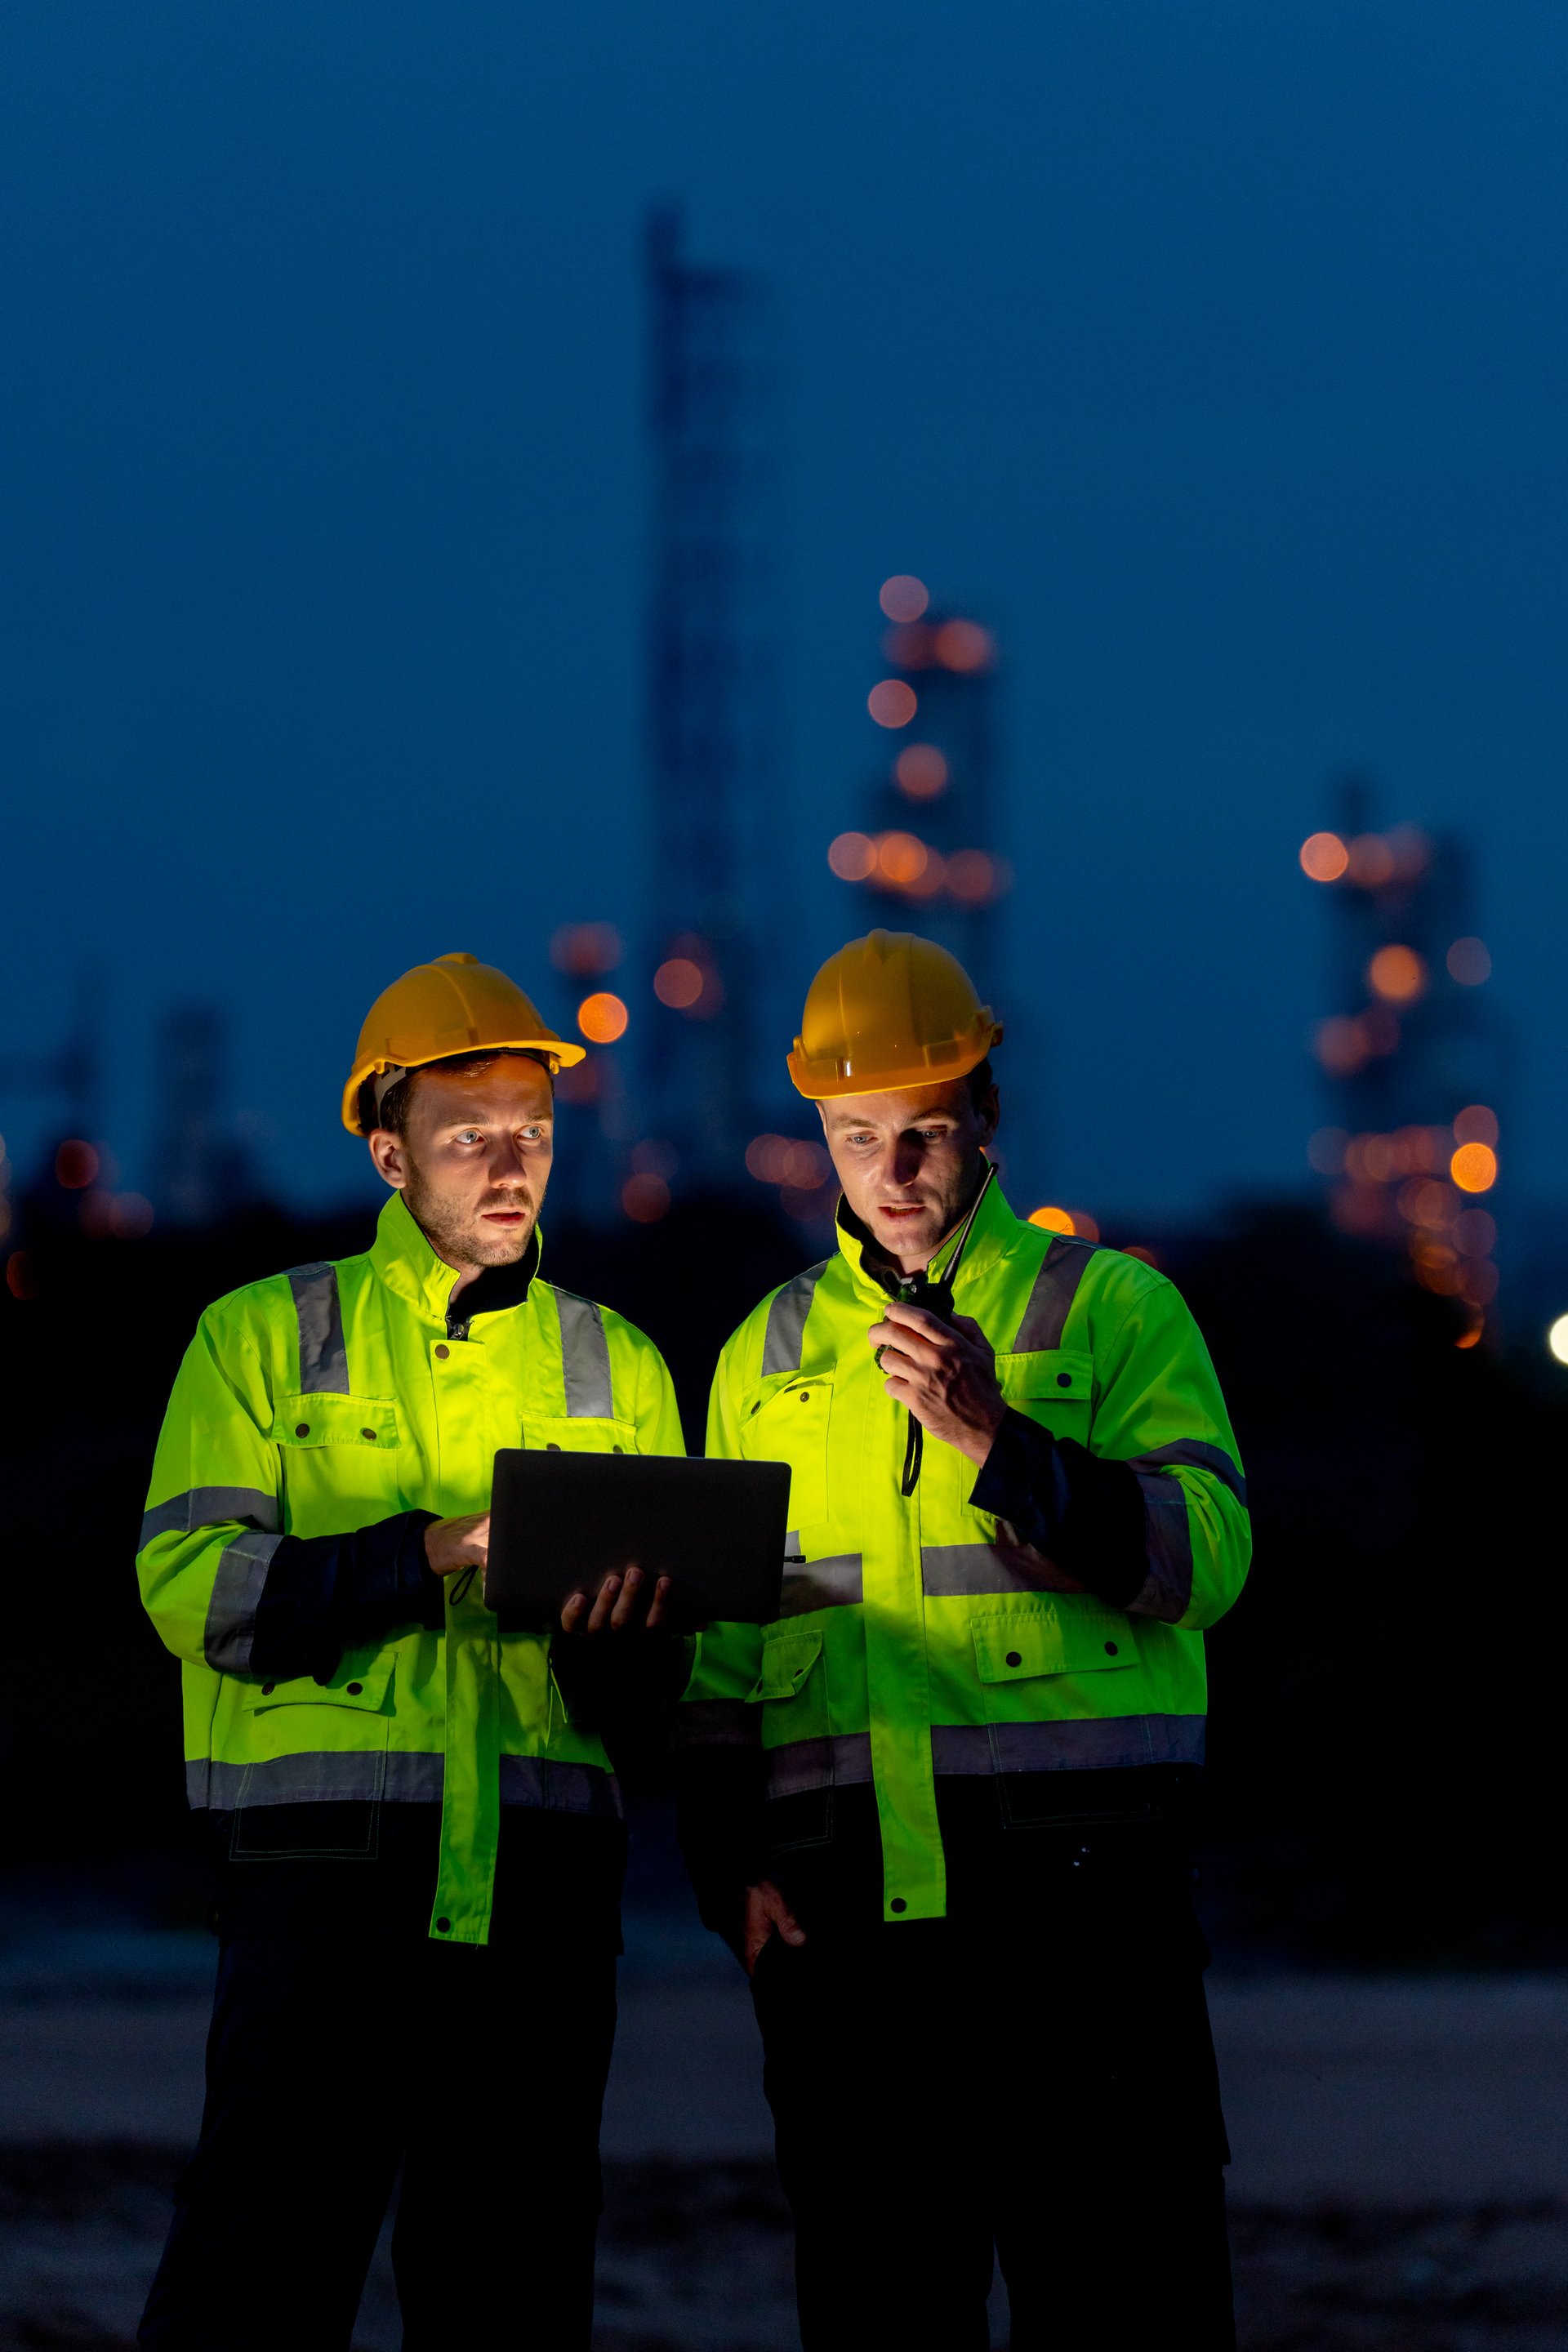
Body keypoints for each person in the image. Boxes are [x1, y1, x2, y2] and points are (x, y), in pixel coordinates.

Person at [678, 929, 1251, 2352]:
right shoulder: (762, 1355)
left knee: (1126, 2311)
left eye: (926, 1130)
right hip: (850, 1943)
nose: (896, 1172)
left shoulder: (1112, 1309)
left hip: (1084, 1919)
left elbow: (1210, 1562)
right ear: (819, 1133)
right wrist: (721, 1869)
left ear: (987, 1113)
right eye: (859, 1136)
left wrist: (1002, 1443)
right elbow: (724, 1652)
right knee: (880, 2318)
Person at [136, 951, 684, 2352]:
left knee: (515, 2293)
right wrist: (428, 1549)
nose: (512, 1167)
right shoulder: (259, 1336)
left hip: (541, 1900)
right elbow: (193, 1588)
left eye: (536, 1137)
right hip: (322, 1891)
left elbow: (658, 1696)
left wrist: (629, 1638)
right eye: (468, 1138)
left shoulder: (622, 1364)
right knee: (256, 2280)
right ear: (388, 1153)